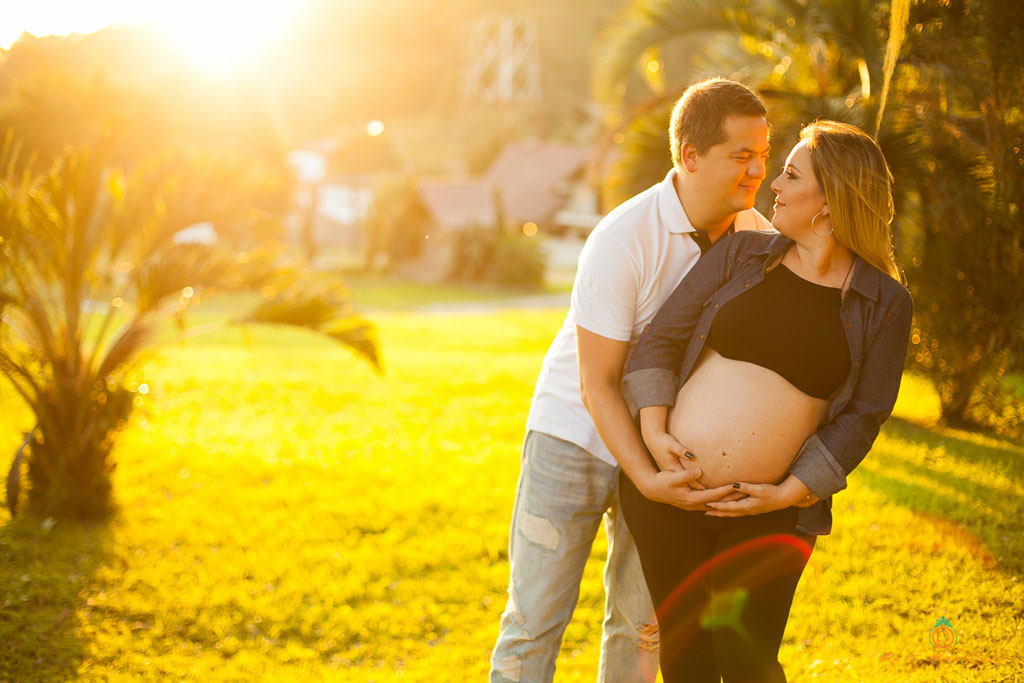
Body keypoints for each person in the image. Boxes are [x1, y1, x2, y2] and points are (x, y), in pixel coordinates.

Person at [489, 78, 776, 683]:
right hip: (571, 440)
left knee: (643, 629)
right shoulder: (624, 238)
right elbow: (598, 383)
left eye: (764, 154)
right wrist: (646, 478)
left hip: (667, 447)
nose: (758, 171)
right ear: (689, 156)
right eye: (741, 155)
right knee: (534, 621)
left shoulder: (758, 238)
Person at [616, 120, 914, 682]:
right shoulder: (739, 256)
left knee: (746, 661)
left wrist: (784, 494)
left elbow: (864, 416)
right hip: (670, 500)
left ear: (829, 202)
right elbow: (660, 341)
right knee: (688, 662)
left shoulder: (884, 302)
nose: (774, 183)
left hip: (771, 512)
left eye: (791, 174)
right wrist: (655, 438)